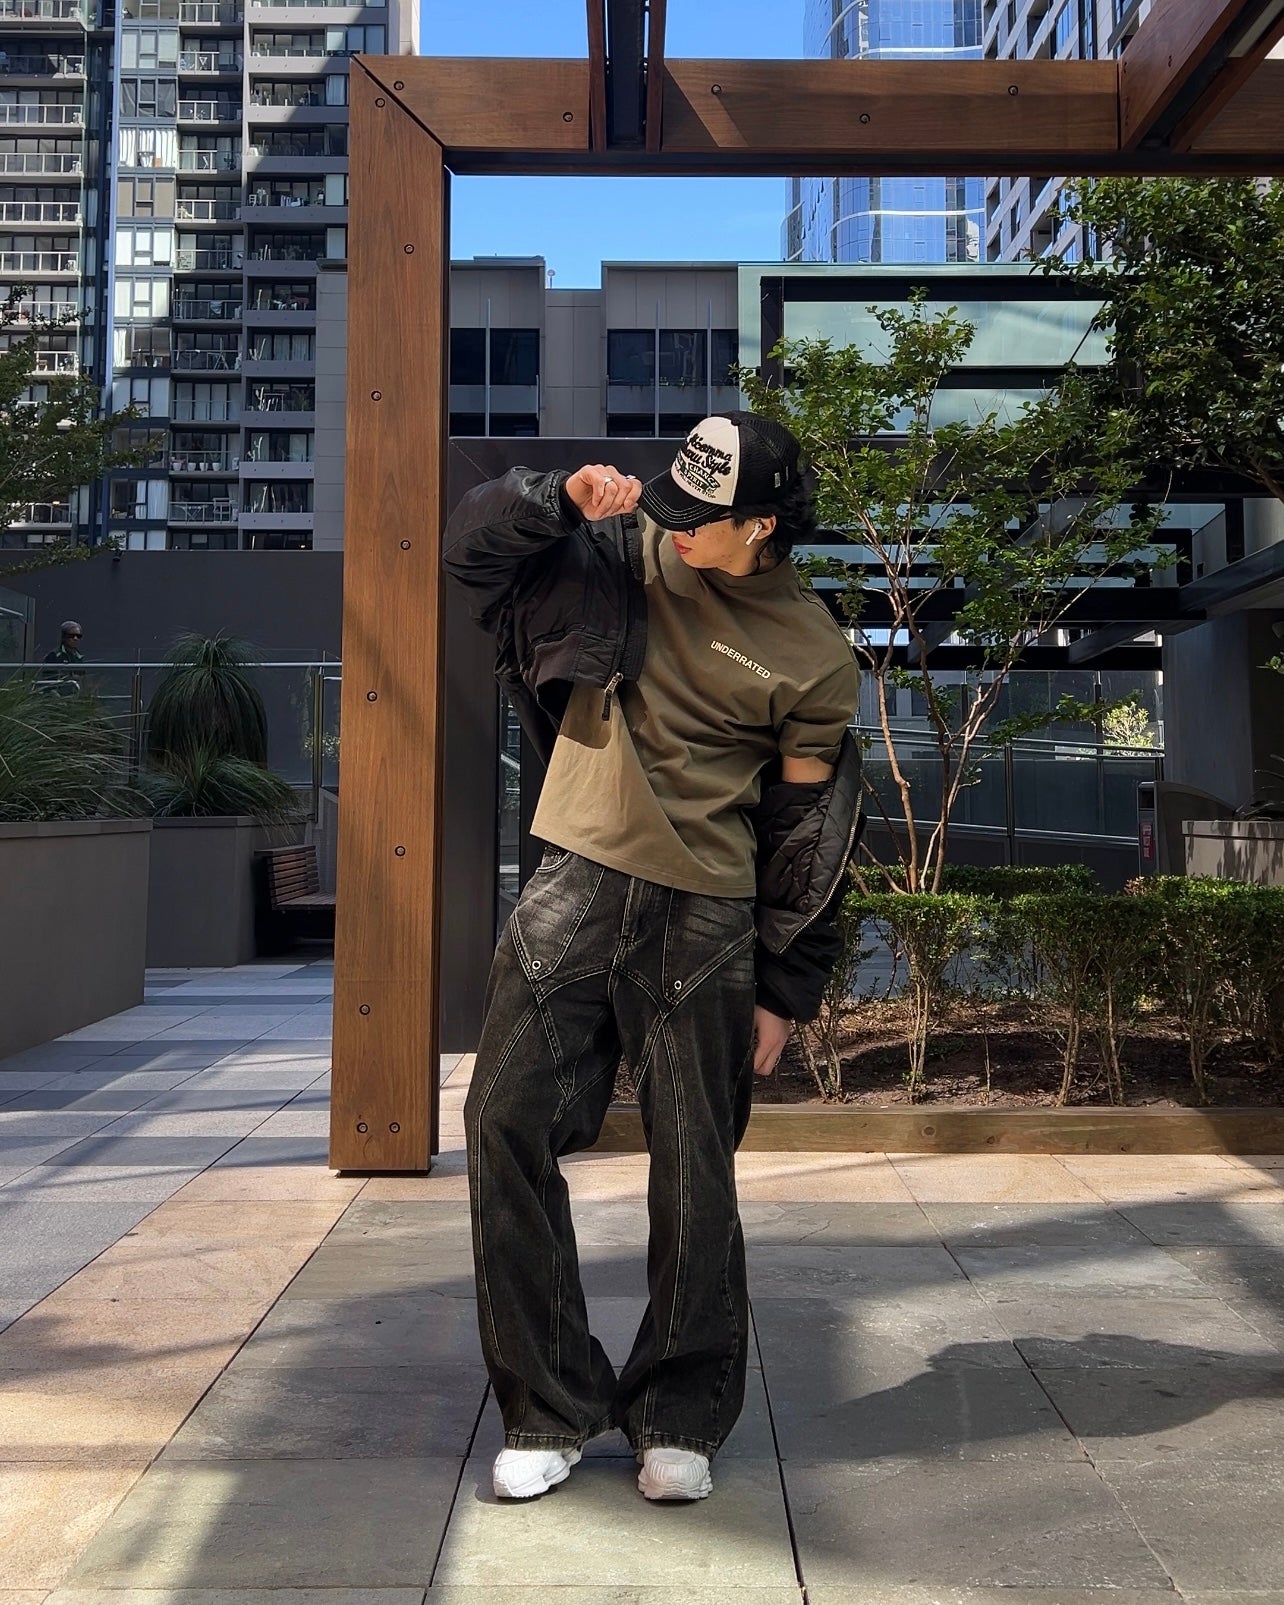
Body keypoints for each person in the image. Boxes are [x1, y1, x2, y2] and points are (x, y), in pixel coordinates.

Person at [444, 412, 862, 1505]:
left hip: (709, 914)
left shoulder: (814, 655)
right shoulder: (621, 547)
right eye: (669, 502)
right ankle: (548, 1406)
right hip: (575, 877)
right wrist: (554, 500)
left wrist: (787, 987)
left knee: (695, 1168)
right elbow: (468, 548)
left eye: (700, 517)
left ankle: (680, 1413)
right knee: (501, 1121)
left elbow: (807, 834)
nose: (673, 527)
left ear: (761, 526)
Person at [38, 619, 84, 693]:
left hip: (75, 693)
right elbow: (48, 681)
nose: (75, 638)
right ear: (64, 637)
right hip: (57, 694)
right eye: (71, 636)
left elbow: (81, 677)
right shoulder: (54, 655)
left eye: (78, 636)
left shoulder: (79, 657)